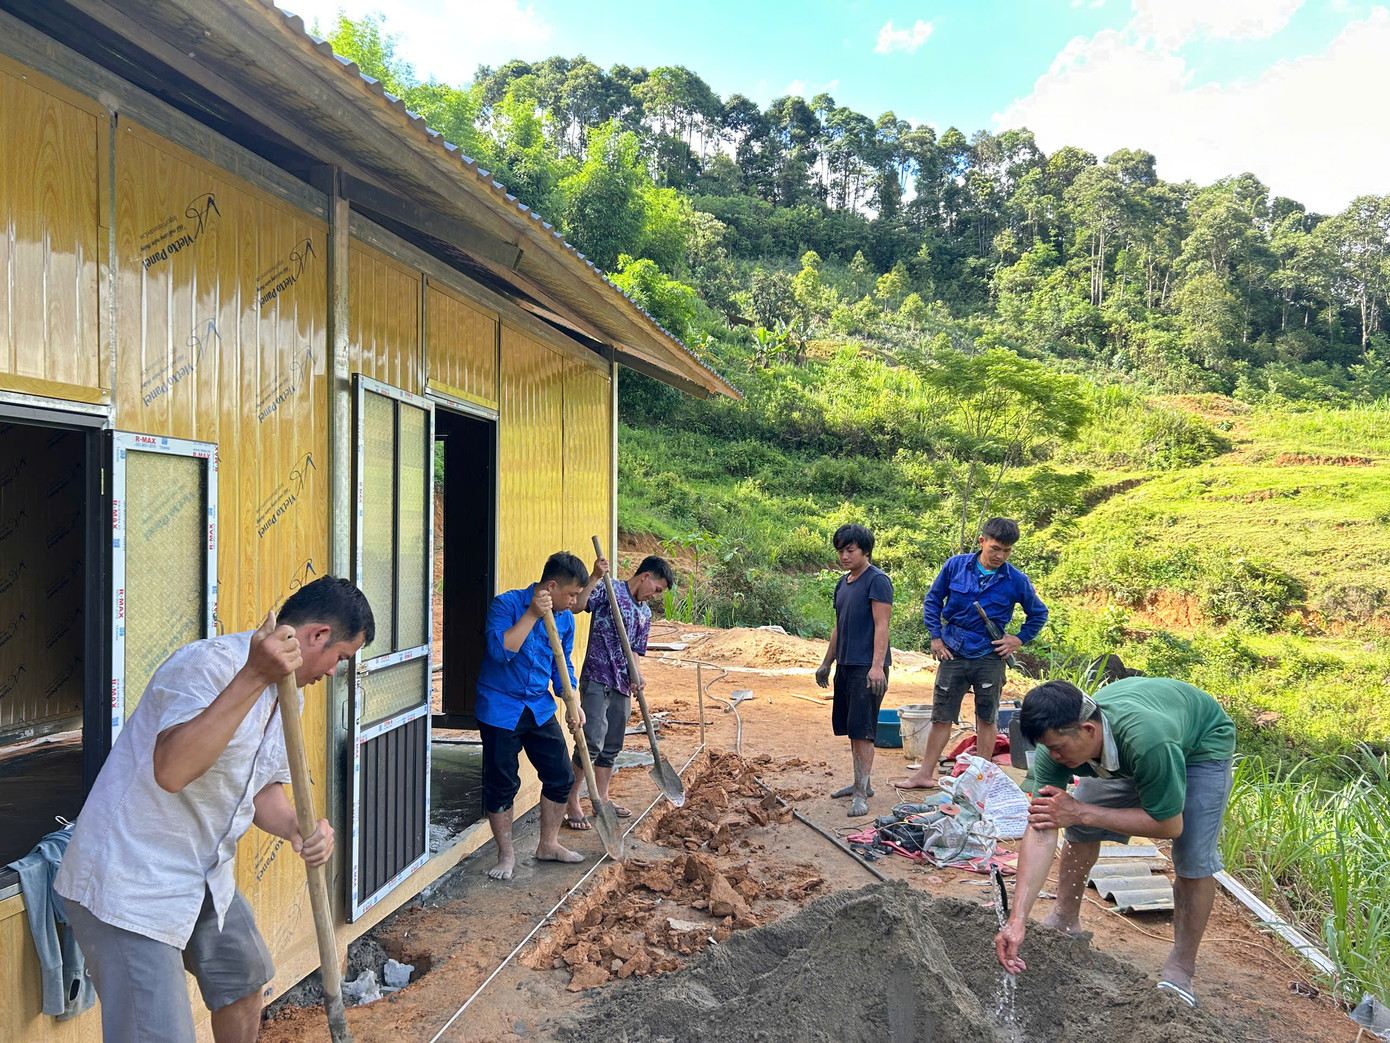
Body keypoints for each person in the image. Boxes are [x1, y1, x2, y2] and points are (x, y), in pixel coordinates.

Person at [55, 577, 373, 1043]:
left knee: (244, 983)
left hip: (200, 871)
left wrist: (298, 828)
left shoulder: (289, 696)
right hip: (126, 881)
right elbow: (172, 769)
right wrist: (254, 675)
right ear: (318, 635)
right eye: (340, 658)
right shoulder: (208, 666)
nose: (332, 673)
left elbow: (263, 790)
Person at [994, 677, 1236, 1008]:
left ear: (1088, 730)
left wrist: (1080, 811)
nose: (1052, 756)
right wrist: (1016, 921)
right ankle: (1065, 918)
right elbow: (1042, 826)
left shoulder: (1150, 742)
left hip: (1199, 747)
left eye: (1058, 749)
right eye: (1047, 748)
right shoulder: (1059, 743)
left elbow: (1169, 824)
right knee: (1076, 826)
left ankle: (1181, 968)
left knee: (1193, 859)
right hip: (1129, 749)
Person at [893, 517, 1047, 791]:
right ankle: (924, 774)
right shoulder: (955, 566)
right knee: (942, 715)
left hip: (990, 654)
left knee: (987, 718)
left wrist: (1017, 640)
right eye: (995, 548)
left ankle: (979, 781)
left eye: (1007, 551)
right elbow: (933, 600)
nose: (1000, 556)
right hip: (953, 650)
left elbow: (1038, 613)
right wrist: (936, 636)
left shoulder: (1016, 580)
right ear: (982, 541)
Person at [476, 551, 603, 880]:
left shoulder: (565, 619)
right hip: (499, 709)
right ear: (551, 586)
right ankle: (506, 855)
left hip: (538, 706)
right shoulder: (506, 605)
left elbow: (562, 668)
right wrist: (533, 614)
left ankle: (548, 844)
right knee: (502, 784)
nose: (576, 601)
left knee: (560, 776)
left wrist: (572, 700)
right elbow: (500, 651)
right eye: (572, 594)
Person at [565, 554, 675, 830]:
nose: (655, 596)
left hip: (623, 685)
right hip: (598, 676)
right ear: (645, 577)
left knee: (612, 745)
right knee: (590, 742)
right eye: (657, 589)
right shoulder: (608, 589)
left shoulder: (645, 613)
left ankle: (601, 798)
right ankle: (572, 800)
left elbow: (636, 650)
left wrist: (637, 676)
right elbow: (578, 606)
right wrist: (593, 577)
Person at [814, 523, 894, 818]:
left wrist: (876, 667)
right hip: (847, 664)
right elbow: (839, 626)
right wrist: (827, 662)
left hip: (867, 667)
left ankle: (861, 794)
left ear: (865, 551)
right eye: (840, 550)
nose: (844, 556)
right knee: (853, 730)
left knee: (864, 731)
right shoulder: (843, 582)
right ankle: (862, 783)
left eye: (850, 550)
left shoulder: (878, 581)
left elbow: (881, 625)